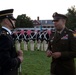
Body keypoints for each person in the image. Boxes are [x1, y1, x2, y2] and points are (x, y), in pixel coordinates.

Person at [0, 9, 23, 75]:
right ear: (7, 21)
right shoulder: (4, 37)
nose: (15, 21)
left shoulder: (5, 34)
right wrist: (19, 59)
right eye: (12, 19)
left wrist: (15, 54)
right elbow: (6, 62)